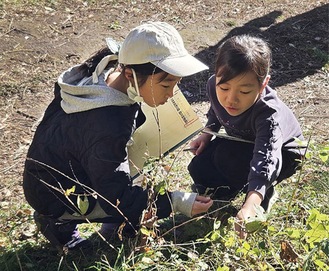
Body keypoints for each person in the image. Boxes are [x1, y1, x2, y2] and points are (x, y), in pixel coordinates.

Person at [23, 21, 213, 250]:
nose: (171, 94)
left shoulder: (107, 69)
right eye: (165, 85)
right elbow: (117, 197)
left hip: (59, 165)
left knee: (139, 168)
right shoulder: (107, 123)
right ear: (131, 73)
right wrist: (178, 202)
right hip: (53, 192)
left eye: (176, 84)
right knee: (126, 198)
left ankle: (117, 223)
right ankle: (57, 222)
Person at [187, 34, 305, 239]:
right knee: (199, 167)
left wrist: (251, 204)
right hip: (244, 141)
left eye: (244, 91)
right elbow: (215, 111)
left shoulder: (268, 113)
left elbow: (266, 158)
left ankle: (262, 194)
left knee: (235, 162)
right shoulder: (213, 86)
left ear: (263, 84)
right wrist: (207, 133)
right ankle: (230, 192)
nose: (231, 99)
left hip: (282, 154)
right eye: (224, 88)